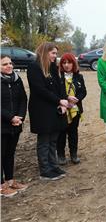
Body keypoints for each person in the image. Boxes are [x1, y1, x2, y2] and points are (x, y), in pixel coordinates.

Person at [27, 42, 68, 181]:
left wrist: (63, 101)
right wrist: (58, 101)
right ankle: (45, 170)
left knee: (53, 139)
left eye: (56, 53)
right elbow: (40, 90)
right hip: (41, 109)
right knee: (44, 140)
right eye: (53, 53)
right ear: (45, 52)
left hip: (54, 108)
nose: (55, 56)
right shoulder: (34, 67)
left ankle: (53, 165)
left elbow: (59, 85)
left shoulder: (52, 66)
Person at [1, 55, 28, 197]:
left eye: (10, 63)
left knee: (10, 153)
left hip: (16, 124)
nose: (9, 66)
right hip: (2, 125)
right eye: (5, 64)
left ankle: (10, 180)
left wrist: (20, 117)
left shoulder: (17, 80)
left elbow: (23, 99)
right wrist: (10, 117)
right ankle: (1, 186)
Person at [57, 53, 87, 165]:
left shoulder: (79, 77)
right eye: (64, 63)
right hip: (62, 109)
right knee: (61, 133)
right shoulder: (58, 76)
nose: (66, 65)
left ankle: (73, 154)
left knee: (73, 132)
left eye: (69, 62)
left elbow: (83, 91)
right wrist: (66, 98)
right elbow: (56, 92)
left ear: (73, 64)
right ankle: (61, 156)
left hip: (75, 110)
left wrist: (77, 99)